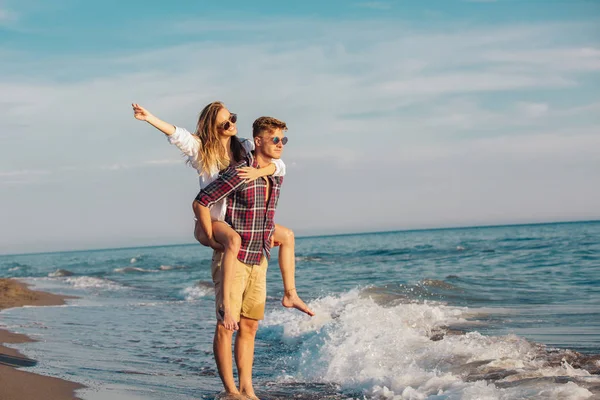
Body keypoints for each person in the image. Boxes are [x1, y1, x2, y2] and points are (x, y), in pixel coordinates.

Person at [132, 103, 314, 329]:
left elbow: (279, 165)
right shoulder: (202, 149)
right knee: (234, 241)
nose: (231, 125)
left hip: (242, 219)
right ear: (212, 127)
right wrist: (150, 117)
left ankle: (290, 294)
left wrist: (258, 171)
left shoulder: (245, 146)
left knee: (286, 235)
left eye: (233, 118)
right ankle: (227, 306)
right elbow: (177, 134)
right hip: (217, 219)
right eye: (224, 123)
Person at [194, 116, 288, 399]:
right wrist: (210, 237)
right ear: (258, 141)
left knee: (249, 326)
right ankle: (231, 391)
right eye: (275, 139)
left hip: (259, 258)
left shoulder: (275, 172)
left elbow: (278, 166)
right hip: (233, 259)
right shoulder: (237, 173)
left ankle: (248, 389)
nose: (280, 144)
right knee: (226, 324)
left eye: (284, 140)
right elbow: (201, 200)